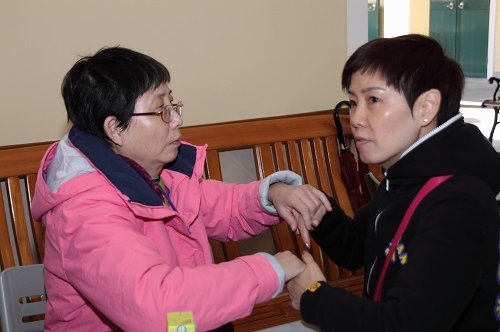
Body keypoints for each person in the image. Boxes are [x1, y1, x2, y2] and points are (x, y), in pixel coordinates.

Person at [30, 46, 332, 332]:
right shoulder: (84, 210)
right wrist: (268, 271)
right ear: (115, 129)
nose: (177, 119)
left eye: (172, 104)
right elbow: (158, 308)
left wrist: (273, 194)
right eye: (161, 110)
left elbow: (220, 207)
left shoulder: (153, 170)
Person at [287, 34, 500, 331]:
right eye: (352, 102)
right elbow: (359, 247)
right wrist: (318, 211)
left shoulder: (458, 202)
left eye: (373, 100)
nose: (356, 118)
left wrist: (315, 298)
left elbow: (406, 324)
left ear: (426, 108)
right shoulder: (405, 176)